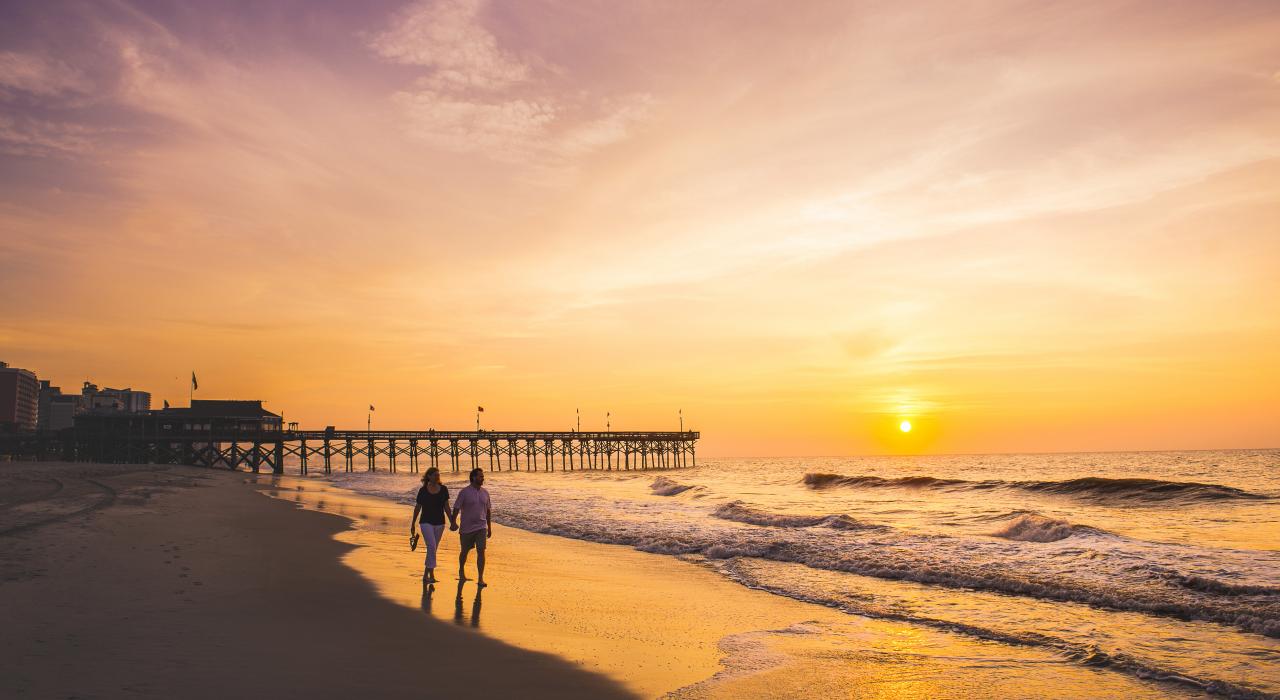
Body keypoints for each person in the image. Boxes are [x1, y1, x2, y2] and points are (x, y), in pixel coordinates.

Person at [410, 467, 456, 585]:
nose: (437, 477)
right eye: (435, 475)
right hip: (425, 522)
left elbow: (446, 507)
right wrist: (413, 523)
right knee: (431, 546)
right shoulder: (423, 490)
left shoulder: (444, 489)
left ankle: (426, 574)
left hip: (440, 522)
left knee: (433, 548)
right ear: (429, 476)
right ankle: (431, 574)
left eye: (438, 475)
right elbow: (418, 507)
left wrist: (452, 521)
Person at [453, 467, 492, 587]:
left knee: (481, 551)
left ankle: (480, 578)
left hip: (481, 526)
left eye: (483, 476)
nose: (482, 478)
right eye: (480, 476)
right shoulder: (464, 492)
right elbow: (456, 507)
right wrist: (453, 521)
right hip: (466, 528)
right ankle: (461, 569)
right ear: (473, 477)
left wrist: (489, 527)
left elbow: (488, 511)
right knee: (464, 551)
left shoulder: (485, 492)